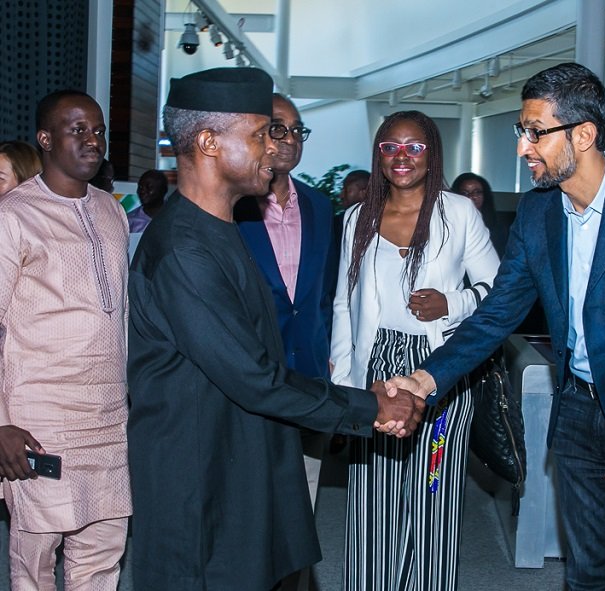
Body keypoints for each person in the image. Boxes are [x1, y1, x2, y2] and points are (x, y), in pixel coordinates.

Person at [389, 63, 605, 591]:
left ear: (584, 134)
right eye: (522, 132)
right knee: (585, 573)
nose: (524, 148)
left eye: (535, 131)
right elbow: (498, 312)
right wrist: (425, 380)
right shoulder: (539, 213)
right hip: (575, 417)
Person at [126, 67, 424, 591]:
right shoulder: (183, 250)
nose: (275, 148)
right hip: (200, 477)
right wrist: (370, 406)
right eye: (261, 133)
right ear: (209, 142)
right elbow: (254, 378)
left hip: (245, 456)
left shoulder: (219, 229)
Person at [330, 110, 500, 591]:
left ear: (432, 153)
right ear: (379, 154)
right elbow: (344, 302)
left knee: (433, 493)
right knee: (371, 497)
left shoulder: (458, 213)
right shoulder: (355, 219)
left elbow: (500, 290)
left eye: (414, 146)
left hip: (441, 373)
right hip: (376, 367)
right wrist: (346, 382)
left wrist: (453, 303)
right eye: (391, 146)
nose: (402, 156)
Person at [0, 90, 131, 589]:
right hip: (40, 420)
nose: (91, 139)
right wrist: (1, 423)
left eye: (97, 129)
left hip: (108, 417)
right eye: (77, 130)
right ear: (45, 139)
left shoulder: (111, 210)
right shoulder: (14, 216)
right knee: (35, 555)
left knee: (102, 553)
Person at [234, 93, 336, 510]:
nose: (290, 140)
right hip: (248, 377)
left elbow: (325, 296)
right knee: (249, 507)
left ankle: (293, 580)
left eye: (297, 131)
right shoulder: (232, 207)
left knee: (301, 507)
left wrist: (330, 356)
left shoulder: (319, 205)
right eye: (278, 128)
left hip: (309, 377)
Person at [450, 172, 508, 255]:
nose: (471, 197)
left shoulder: (498, 227)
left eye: (477, 192)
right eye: (464, 193)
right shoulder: (446, 225)